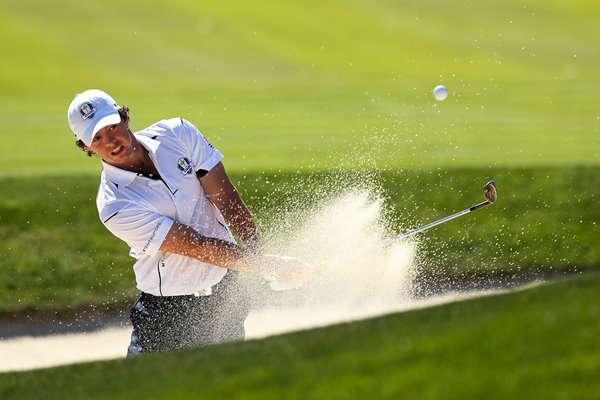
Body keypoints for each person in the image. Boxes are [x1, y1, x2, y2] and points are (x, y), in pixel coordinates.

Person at [67, 89, 316, 355]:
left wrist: (261, 257)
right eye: (97, 137)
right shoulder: (114, 204)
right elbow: (198, 246)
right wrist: (272, 266)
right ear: (85, 146)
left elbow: (226, 198)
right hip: (167, 315)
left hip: (224, 297)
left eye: (112, 127)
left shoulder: (177, 133)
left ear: (124, 117)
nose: (111, 141)